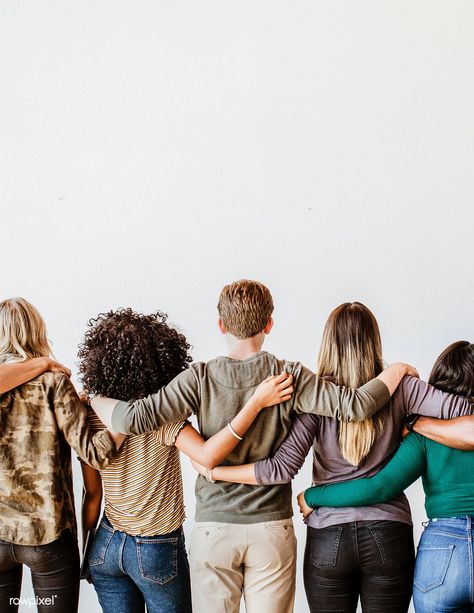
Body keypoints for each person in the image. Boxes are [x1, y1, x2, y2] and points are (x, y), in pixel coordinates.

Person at [90, 281, 416, 613]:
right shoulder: (288, 375)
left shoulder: (198, 378)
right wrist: (397, 370)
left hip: (214, 528)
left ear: (221, 325)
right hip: (270, 527)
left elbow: (131, 418)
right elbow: (357, 405)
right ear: (269, 323)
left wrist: (94, 397)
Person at [191, 304, 473, 613]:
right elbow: (464, 411)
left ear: (328, 342)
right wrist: (413, 414)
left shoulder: (315, 395)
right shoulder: (403, 388)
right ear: (374, 340)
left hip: (329, 537)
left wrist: (216, 471)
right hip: (388, 535)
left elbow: (281, 468)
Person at [77, 308, 292, 613]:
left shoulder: (90, 414)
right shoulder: (164, 418)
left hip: (106, 544)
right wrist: (254, 404)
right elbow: (208, 455)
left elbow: (92, 494)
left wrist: (87, 552)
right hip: (155, 548)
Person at [300, 340, 474, 613]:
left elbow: (378, 487)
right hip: (390, 541)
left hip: (444, 552)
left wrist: (313, 495)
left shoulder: (423, 439)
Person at [0, 298, 124, 613]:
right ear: (37, 331)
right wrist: (127, 421)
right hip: (48, 535)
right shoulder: (55, 383)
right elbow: (95, 456)